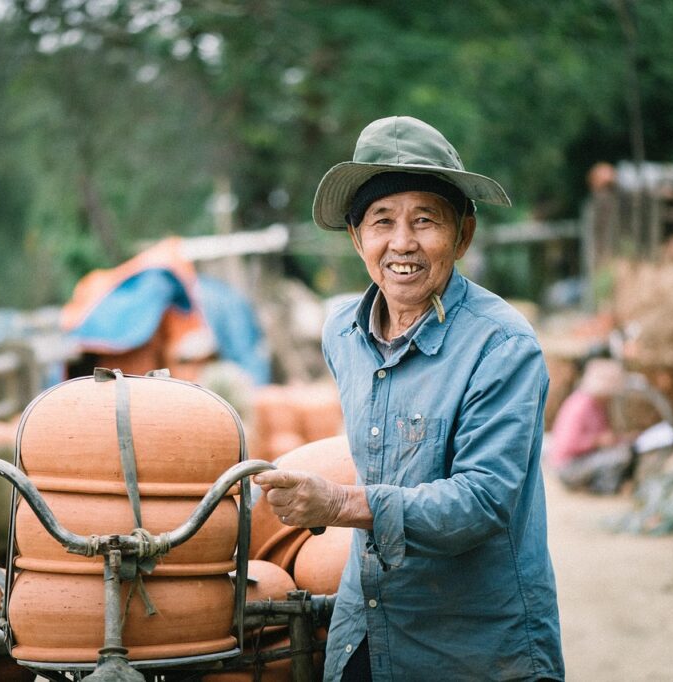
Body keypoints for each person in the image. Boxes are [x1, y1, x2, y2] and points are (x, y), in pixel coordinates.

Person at [253, 116, 564, 681]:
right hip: (368, 628)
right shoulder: (342, 334)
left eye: (425, 221)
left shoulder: (502, 345)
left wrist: (342, 504)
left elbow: (481, 503)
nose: (402, 243)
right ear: (356, 237)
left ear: (462, 235)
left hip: (476, 647)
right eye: (382, 221)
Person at [548, 358, 636, 494]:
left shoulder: (599, 406)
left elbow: (607, 436)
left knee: (623, 450)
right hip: (567, 466)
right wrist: (597, 441)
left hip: (581, 460)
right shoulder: (581, 406)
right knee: (620, 456)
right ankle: (602, 489)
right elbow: (569, 443)